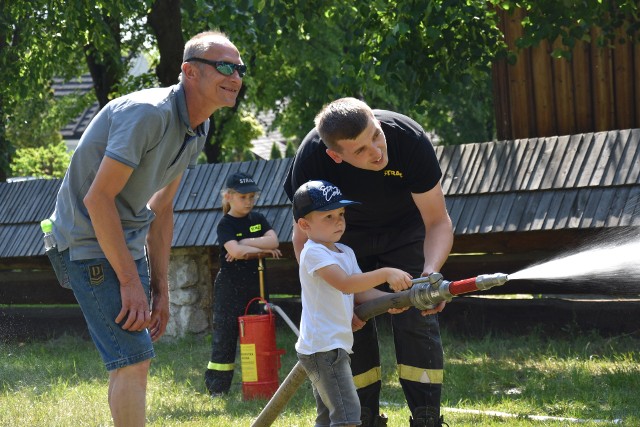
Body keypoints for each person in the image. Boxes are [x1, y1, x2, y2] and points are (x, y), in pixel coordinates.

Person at [44, 30, 246, 426]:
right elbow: (97, 200)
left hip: (123, 242)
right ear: (189, 71)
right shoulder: (149, 114)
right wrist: (129, 282)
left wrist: (161, 292)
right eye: (224, 66)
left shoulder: (196, 128)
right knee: (134, 360)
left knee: (129, 361)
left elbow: (163, 209)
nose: (236, 76)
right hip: (86, 242)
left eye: (240, 68)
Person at [283, 97, 454, 427]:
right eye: (359, 150)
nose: (376, 151)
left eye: (376, 136)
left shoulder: (408, 140)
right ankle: (364, 418)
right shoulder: (311, 160)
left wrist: (430, 273)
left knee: (417, 316)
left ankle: (427, 417)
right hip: (343, 236)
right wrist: (332, 302)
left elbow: (437, 221)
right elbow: (304, 239)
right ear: (335, 155)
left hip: (405, 230)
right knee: (351, 324)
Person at [293, 179, 413, 427]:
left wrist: (391, 300)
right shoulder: (313, 252)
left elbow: (361, 292)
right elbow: (346, 284)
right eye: (328, 216)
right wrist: (386, 273)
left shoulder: (345, 251)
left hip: (334, 346)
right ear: (304, 224)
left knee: (329, 417)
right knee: (348, 416)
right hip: (323, 348)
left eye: (341, 214)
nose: (338, 220)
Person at [204, 171, 281, 396]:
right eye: (242, 197)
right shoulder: (225, 224)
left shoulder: (258, 219)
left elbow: (274, 240)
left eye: (252, 197)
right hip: (230, 287)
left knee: (261, 333)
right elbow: (235, 252)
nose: (248, 202)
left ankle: (261, 382)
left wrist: (246, 242)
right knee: (225, 337)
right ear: (228, 197)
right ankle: (218, 388)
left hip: (256, 285)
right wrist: (263, 250)